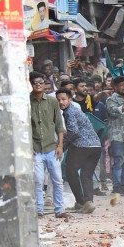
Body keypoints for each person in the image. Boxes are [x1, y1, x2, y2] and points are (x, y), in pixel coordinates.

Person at [56, 89, 101, 213]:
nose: (61, 102)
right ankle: (88, 202)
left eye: (64, 99)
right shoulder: (76, 111)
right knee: (86, 175)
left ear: (70, 100)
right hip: (96, 146)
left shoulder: (70, 112)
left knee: (70, 171)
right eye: (58, 100)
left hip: (81, 146)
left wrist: (62, 146)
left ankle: (80, 202)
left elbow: (74, 132)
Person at [30, 72, 68, 219]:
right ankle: (39, 210)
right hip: (35, 148)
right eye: (35, 82)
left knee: (57, 180)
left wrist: (60, 146)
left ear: (45, 84)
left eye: (41, 82)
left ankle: (59, 210)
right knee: (38, 180)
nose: (38, 84)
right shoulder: (27, 102)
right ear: (31, 84)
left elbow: (59, 125)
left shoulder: (52, 102)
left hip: (52, 147)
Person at [106, 76, 124, 195]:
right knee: (118, 162)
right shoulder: (111, 99)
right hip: (117, 137)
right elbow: (112, 111)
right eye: (122, 85)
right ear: (115, 87)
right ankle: (116, 187)